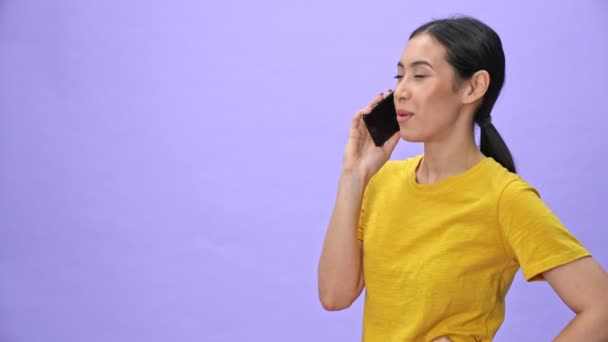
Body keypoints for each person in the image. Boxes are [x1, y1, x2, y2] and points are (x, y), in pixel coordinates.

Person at [317, 16, 608, 342]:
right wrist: (352, 175)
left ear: (473, 86)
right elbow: (334, 295)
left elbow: (602, 309)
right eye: (400, 76)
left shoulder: (505, 197)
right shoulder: (383, 181)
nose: (400, 91)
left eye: (419, 75)